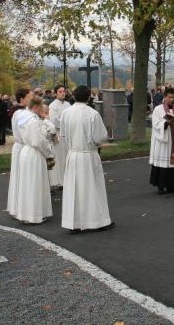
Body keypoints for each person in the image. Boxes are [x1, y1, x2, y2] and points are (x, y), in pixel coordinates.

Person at [59, 85, 113, 232]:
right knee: (93, 188)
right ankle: (97, 221)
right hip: (88, 155)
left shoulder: (66, 113)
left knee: (74, 190)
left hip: (73, 154)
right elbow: (100, 137)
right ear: (89, 97)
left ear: (74, 96)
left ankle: (74, 223)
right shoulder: (92, 114)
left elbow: (62, 135)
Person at [12, 97, 53, 224]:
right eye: (40, 106)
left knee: (27, 183)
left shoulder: (22, 118)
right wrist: (49, 152)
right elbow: (38, 141)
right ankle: (34, 215)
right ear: (35, 107)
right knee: (35, 183)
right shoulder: (33, 121)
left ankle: (26, 213)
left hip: (25, 151)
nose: (42, 109)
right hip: (34, 153)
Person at [149, 87, 174, 194]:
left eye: (173, 97)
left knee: (173, 164)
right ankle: (160, 186)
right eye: (170, 97)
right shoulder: (158, 109)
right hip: (164, 142)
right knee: (163, 164)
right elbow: (155, 124)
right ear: (165, 97)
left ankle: (172, 185)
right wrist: (166, 123)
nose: (172, 99)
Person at [7, 88, 34, 218]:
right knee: (21, 177)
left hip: (22, 146)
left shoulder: (24, 112)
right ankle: (20, 208)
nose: (31, 99)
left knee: (22, 177)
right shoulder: (20, 113)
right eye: (29, 97)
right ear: (22, 99)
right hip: (22, 146)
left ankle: (21, 207)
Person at [47, 86, 71, 190]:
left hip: (68, 134)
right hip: (59, 134)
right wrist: (66, 122)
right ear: (56, 93)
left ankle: (68, 179)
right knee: (60, 157)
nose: (62, 93)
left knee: (67, 157)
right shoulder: (52, 106)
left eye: (64, 91)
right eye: (60, 92)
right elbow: (54, 120)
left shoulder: (68, 104)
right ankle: (60, 181)